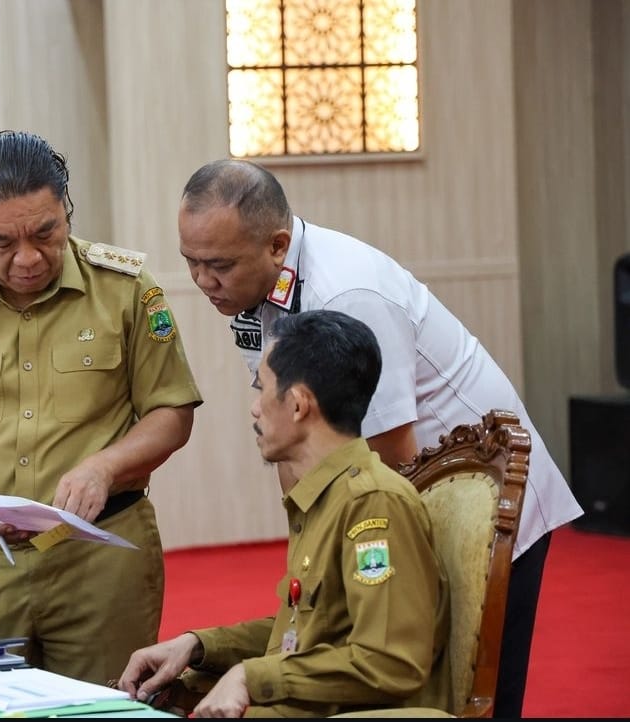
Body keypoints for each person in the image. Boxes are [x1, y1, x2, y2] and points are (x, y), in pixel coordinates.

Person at [176, 158, 584, 717]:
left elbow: (396, 452)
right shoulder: (257, 286)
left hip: (477, 493)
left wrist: (360, 539)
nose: (202, 281)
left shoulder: (349, 295)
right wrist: (312, 553)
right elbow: (295, 435)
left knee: (468, 682)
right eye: (191, 263)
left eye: (217, 265)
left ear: (276, 245)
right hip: (396, 488)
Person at [0, 130, 203, 685]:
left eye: (46, 233)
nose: (27, 258)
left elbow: (172, 413)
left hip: (101, 562)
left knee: (106, 706)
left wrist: (104, 466)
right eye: (1, 241)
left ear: (66, 211)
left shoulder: (124, 290)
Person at [116, 310, 450, 718]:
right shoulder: (325, 497)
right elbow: (301, 635)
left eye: (262, 389)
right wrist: (198, 645)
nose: (255, 409)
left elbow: (390, 661)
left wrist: (249, 677)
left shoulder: (372, 503)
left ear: (296, 405)